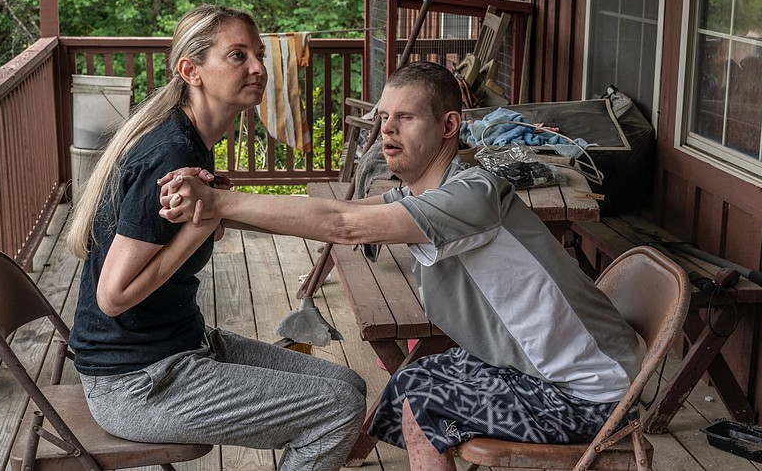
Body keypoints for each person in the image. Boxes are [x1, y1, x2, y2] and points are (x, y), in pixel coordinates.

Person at [158, 60, 645, 470]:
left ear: (449, 126)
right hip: (556, 371)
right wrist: (217, 202)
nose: (385, 130)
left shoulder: (473, 195)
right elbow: (332, 218)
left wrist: (222, 205)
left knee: (422, 400)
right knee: (415, 378)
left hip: (590, 393)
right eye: (383, 117)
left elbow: (344, 226)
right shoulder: (428, 193)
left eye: (405, 118)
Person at [66, 4, 366, 471]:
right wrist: (199, 229)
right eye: (237, 55)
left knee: (350, 386)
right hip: (137, 380)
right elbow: (113, 296)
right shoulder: (170, 154)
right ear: (191, 70)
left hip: (180, 346)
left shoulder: (189, 139)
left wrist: (359, 215)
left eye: (260, 54)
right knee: (338, 407)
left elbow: (220, 218)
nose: (258, 67)